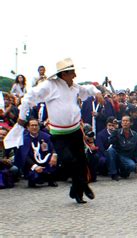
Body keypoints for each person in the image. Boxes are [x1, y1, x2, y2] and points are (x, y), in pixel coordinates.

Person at [17, 58, 103, 204]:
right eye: (72, 72)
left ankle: (77, 192)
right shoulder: (50, 86)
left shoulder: (74, 86)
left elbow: (88, 88)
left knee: (82, 162)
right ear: (64, 74)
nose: (75, 75)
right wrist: (21, 118)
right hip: (59, 134)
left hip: (75, 130)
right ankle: (82, 185)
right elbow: (29, 97)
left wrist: (97, 92)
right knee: (70, 161)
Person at [19, 119, 57, 188]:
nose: (34, 127)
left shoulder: (46, 136)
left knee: (54, 159)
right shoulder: (24, 139)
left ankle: (50, 178)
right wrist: (35, 166)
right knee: (36, 178)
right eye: (32, 125)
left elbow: (53, 148)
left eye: (36, 125)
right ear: (27, 127)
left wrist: (54, 155)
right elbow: (25, 156)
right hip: (32, 164)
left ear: (39, 127)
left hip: (46, 162)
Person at [107, 115, 137, 181]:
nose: (125, 122)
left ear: (131, 123)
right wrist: (115, 130)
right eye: (123, 121)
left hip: (126, 156)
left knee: (132, 166)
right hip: (117, 153)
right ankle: (114, 173)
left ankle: (123, 172)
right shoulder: (117, 132)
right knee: (110, 150)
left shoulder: (135, 134)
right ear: (121, 123)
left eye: (127, 121)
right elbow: (110, 141)